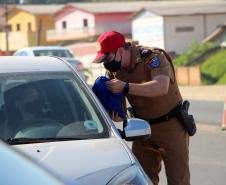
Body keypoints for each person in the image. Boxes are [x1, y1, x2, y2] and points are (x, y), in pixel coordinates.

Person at [92, 31, 190, 185]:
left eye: (108, 57)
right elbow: (120, 106)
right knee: (142, 181)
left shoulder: (152, 57)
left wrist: (125, 87)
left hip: (171, 126)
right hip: (141, 129)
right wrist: (117, 115)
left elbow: (161, 87)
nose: (106, 63)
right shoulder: (115, 71)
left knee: (178, 180)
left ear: (120, 50)